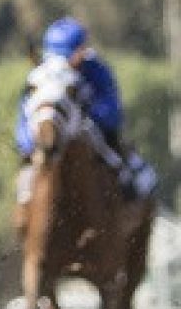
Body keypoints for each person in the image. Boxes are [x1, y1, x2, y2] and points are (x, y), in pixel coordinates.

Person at [14, 16, 153, 202]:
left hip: (95, 135)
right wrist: (30, 143)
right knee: (26, 181)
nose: (63, 63)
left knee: (132, 174)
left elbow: (114, 114)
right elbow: (23, 120)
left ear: (82, 50)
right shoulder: (40, 77)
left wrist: (85, 110)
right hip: (50, 140)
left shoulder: (96, 69)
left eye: (68, 55)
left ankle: (132, 199)